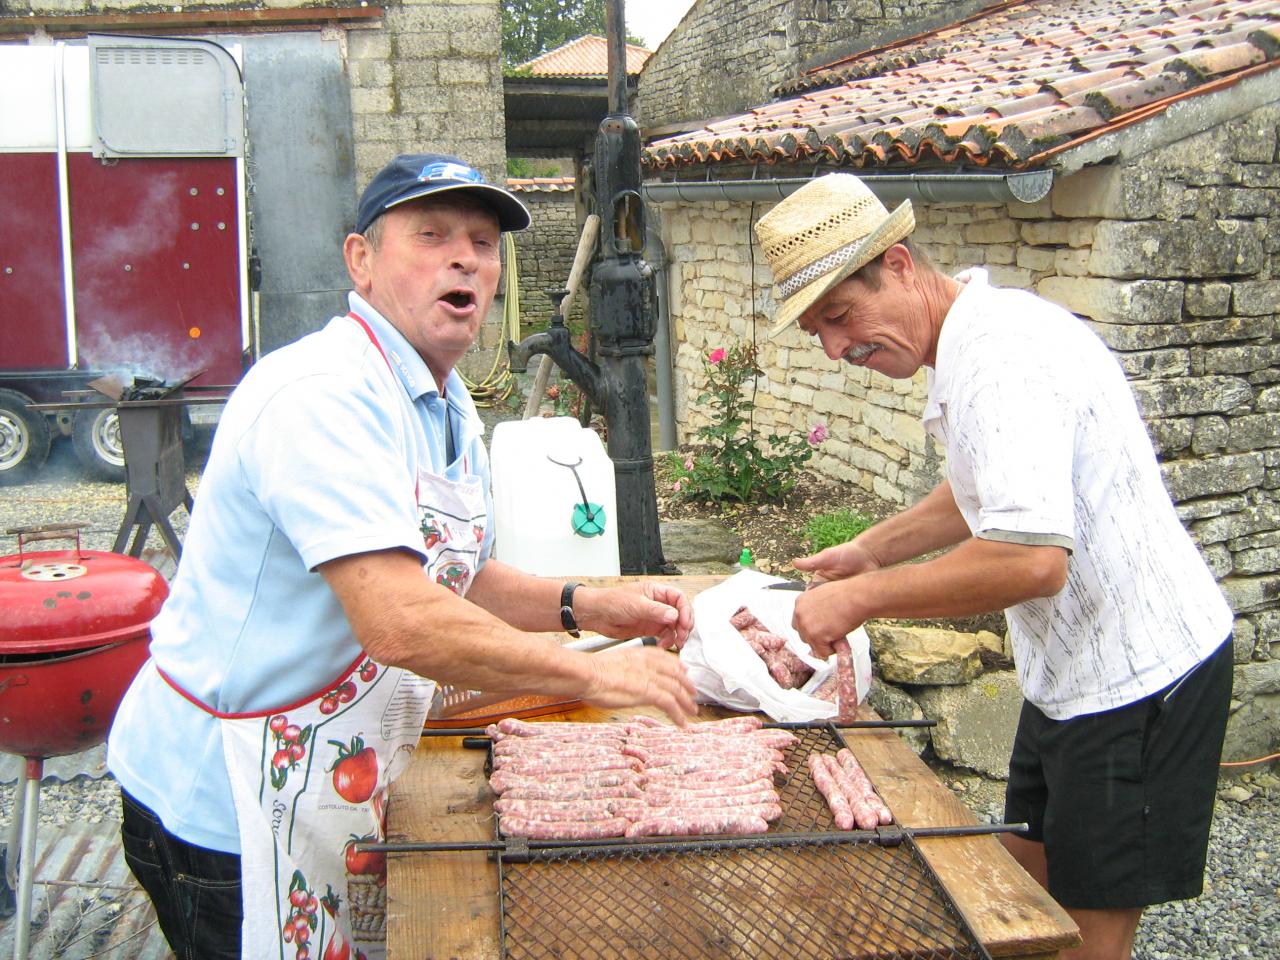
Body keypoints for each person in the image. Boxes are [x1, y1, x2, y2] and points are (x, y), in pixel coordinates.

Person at [107, 153, 697, 960]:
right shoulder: (324, 396)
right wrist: (595, 673)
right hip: (220, 803)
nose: (466, 259)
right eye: (432, 236)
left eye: (483, 243)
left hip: (323, 774)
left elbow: (459, 572)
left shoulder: (445, 397)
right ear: (362, 260)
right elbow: (397, 616)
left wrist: (586, 606)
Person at [753, 173, 1233, 960]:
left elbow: (1032, 559)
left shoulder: (1002, 359)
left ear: (900, 265)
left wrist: (865, 598)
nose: (838, 348)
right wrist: (873, 548)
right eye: (818, 334)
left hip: (1142, 680)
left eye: (841, 317)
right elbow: (983, 488)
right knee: (1020, 900)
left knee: (1085, 938)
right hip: (1068, 677)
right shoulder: (968, 344)